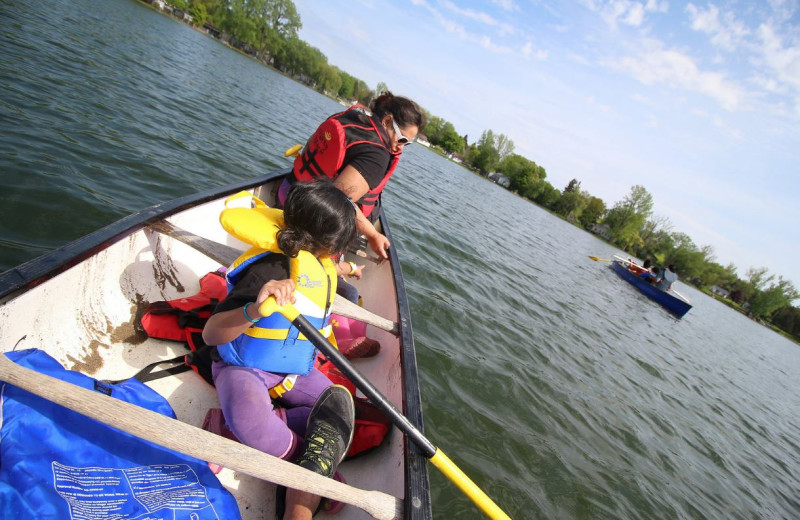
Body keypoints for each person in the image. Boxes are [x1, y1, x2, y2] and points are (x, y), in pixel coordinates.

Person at [202, 181, 358, 520]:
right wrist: (255, 310)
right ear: (326, 243)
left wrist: (349, 270)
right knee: (250, 415)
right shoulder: (268, 271)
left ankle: (267, 427)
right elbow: (211, 334)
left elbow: (334, 270)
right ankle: (307, 460)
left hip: (292, 370)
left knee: (339, 408)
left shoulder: (321, 269)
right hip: (242, 368)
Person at [282, 91, 426, 260]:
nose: (401, 148)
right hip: (306, 221)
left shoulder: (352, 117)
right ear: (387, 121)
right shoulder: (377, 156)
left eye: (407, 144)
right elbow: (340, 202)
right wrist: (373, 234)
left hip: (288, 192)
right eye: (402, 139)